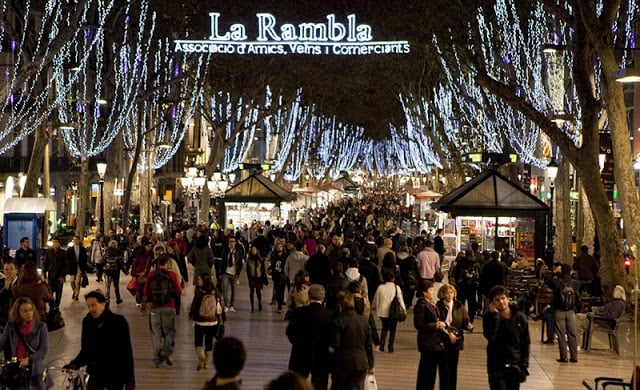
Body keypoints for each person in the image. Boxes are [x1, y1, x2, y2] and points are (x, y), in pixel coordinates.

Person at [65, 290, 136, 389]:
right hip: (94, 374)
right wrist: (75, 363)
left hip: (114, 374)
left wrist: (130, 380)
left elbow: (126, 352)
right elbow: (85, 350)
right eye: (88, 306)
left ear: (103, 303)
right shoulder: (87, 322)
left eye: (93, 305)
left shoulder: (119, 322)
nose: (91, 309)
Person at [285, 284, 332, 390]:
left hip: (300, 354)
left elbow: (289, 332)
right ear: (323, 297)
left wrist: (298, 343)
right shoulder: (329, 315)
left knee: (298, 385)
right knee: (320, 385)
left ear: (309, 296)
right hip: (321, 356)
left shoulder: (298, 312)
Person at [483, 285, 530, 390]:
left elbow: (525, 342)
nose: (501, 302)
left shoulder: (520, 317)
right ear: (492, 303)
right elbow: (490, 336)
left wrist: (524, 365)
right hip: (496, 364)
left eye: (503, 298)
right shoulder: (488, 318)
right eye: (497, 299)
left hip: (514, 363)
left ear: (508, 299)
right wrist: (495, 317)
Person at [329, 290, 375, 390]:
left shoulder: (338, 321)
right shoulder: (363, 321)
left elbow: (335, 344)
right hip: (361, 363)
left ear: (340, 305)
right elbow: (368, 346)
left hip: (342, 363)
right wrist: (371, 365)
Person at [143, 254, 182, 367]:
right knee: (169, 332)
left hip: (154, 308)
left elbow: (145, 292)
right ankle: (166, 351)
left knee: (156, 335)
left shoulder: (151, 275)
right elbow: (179, 292)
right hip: (168, 306)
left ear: (157, 263)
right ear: (168, 263)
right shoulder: (171, 275)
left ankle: (157, 360)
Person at [0, 297, 48, 390]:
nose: (29, 313)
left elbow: (43, 350)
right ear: (18, 313)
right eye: (25, 311)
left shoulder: (41, 327)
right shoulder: (11, 326)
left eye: (30, 310)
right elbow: (2, 343)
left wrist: (29, 359)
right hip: (17, 367)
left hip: (35, 367)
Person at [436, 284, 473, 390]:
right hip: (443, 339)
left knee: (453, 368)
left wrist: (469, 326)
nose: (449, 295)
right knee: (443, 368)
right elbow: (438, 323)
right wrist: (447, 333)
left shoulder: (459, 305)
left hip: (456, 340)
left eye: (451, 293)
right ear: (442, 294)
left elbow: (465, 320)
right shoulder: (438, 306)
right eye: (447, 293)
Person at [414, 279, 448, 390]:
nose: (433, 292)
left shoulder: (431, 303)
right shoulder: (421, 305)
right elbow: (419, 324)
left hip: (434, 342)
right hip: (428, 342)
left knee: (430, 371)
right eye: (431, 290)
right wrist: (436, 325)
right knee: (427, 371)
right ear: (424, 292)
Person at [545, 262, 580, 363]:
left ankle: (563, 357)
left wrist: (554, 272)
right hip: (571, 311)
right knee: (572, 333)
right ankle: (574, 356)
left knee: (561, 334)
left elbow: (547, 280)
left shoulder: (557, 282)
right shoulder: (575, 283)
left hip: (559, 309)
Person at [189, 271, 223, 371]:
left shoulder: (199, 292)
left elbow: (194, 306)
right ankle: (207, 362)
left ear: (204, 281)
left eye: (199, 279)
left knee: (198, 342)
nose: (198, 280)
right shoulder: (216, 292)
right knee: (209, 341)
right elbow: (220, 307)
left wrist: (192, 315)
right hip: (213, 322)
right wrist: (222, 320)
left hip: (200, 321)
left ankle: (201, 357)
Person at [372, 271, 405, 353]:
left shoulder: (380, 287)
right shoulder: (396, 287)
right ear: (393, 278)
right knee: (393, 329)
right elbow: (400, 299)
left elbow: (376, 299)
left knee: (385, 328)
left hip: (383, 311)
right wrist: (404, 309)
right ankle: (391, 347)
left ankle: (382, 345)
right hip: (394, 312)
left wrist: (375, 308)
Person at [453, 250, 481, 323]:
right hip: (472, 286)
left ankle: (460, 318)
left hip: (462, 285)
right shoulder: (476, 263)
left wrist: (457, 282)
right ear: (472, 254)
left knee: (461, 302)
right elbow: (479, 274)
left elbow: (456, 273)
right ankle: (470, 319)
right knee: (472, 303)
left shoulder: (461, 262)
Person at [219, 237, 244, 313]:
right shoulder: (225, 251)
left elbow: (240, 264)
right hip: (225, 273)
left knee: (234, 291)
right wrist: (220, 273)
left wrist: (238, 274)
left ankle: (232, 305)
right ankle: (226, 305)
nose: (231, 243)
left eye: (233, 241)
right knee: (225, 290)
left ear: (236, 243)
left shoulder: (238, 252)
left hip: (234, 274)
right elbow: (222, 262)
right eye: (230, 241)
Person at [42, 237, 67, 307]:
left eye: (56, 242)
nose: (54, 243)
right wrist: (44, 274)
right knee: (50, 292)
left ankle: (57, 306)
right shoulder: (49, 252)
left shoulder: (63, 253)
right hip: (51, 275)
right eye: (53, 242)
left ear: (59, 243)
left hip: (59, 276)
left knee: (58, 293)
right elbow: (45, 263)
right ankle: (51, 305)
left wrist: (63, 276)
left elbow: (66, 266)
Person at [130, 237, 154, 305]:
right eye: (148, 246)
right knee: (139, 288)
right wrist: (134, 275)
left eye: (150, 246)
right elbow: (135, 264)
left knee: (146, 288)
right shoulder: (139, 253)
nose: (149, 248)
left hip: (147, 274)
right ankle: (139, 301)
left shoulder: (151, 255)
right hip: (139, 273)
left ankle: (145, 301)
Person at [246, 245, 268, 312]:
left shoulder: (260, 259)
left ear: (257, 251)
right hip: (252, 277)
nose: (253, 251)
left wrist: (263, 277)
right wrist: (249, 278)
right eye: (252, 249)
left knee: (258, 292)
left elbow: (263, 269)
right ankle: (252, 306)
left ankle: (259, 303)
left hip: (258, 277)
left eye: (255, 249)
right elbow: (247, 270)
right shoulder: (249, 260)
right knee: (251, 292)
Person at [269, 241, 289, 314]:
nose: (279, 248)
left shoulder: (285, 255)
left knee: (282, 290)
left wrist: (283, 270)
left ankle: (280, 305)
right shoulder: (274, 255)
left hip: (283, 276)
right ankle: (279, 303)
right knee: (277, 290)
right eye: (277, 247)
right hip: (276, 275)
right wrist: (271, 269)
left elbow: (287, 265)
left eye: (280, 247)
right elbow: (272, 264)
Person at [103, 239, 125, 304]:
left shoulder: (106, 251)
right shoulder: (118, 252)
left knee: (107, 285)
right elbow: (120, 262)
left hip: (107, 270)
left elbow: (103, 260)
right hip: (115, 271)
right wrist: (124, 270)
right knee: (116, 285)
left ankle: (107, 299)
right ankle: (118, 298)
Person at [0, 258, 19, 329]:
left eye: (11, 269)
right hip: (4, 318)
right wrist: (5, 289)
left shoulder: (20, 283)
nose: (9, 272)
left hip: (17, 316)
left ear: (16, 270)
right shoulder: (1, 282)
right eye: (6, 269)